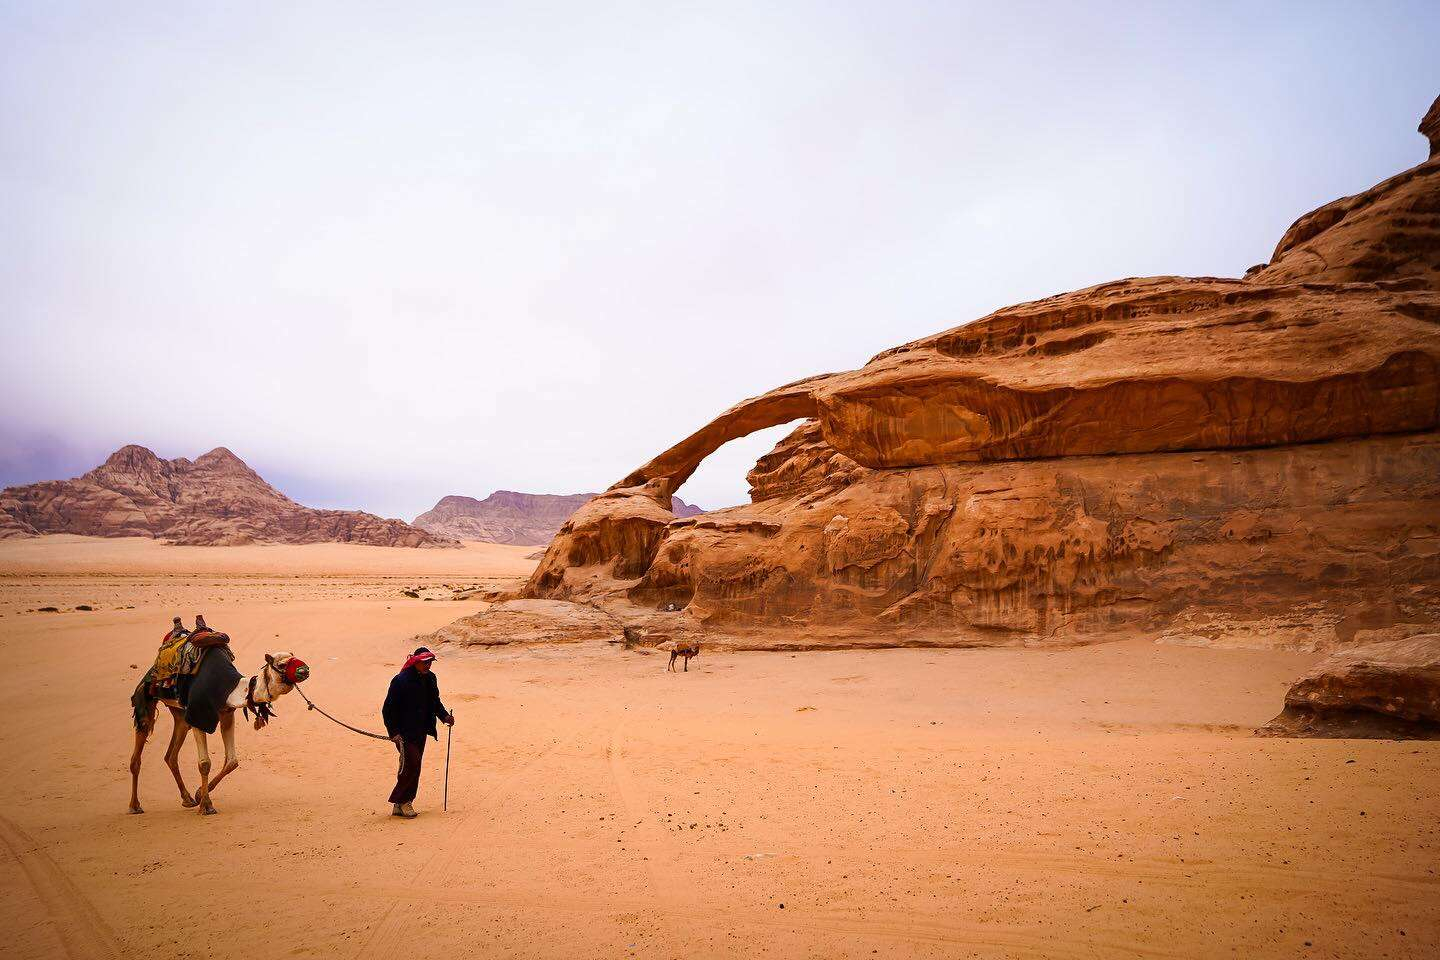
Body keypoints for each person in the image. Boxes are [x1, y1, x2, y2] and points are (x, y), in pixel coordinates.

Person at [381, 647, 454, 818]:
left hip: (421, 729)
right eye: (424, 662)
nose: (428, 665)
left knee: (412, 765)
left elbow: (435, 702)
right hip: (404, 733)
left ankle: (400, 804)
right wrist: (394, 732)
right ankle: (404, 801)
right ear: (415, 662)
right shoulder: (401, 680)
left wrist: (444, 716)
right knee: (412, 764)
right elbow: (388, 709)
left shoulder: (431, 678)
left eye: (430, 662)